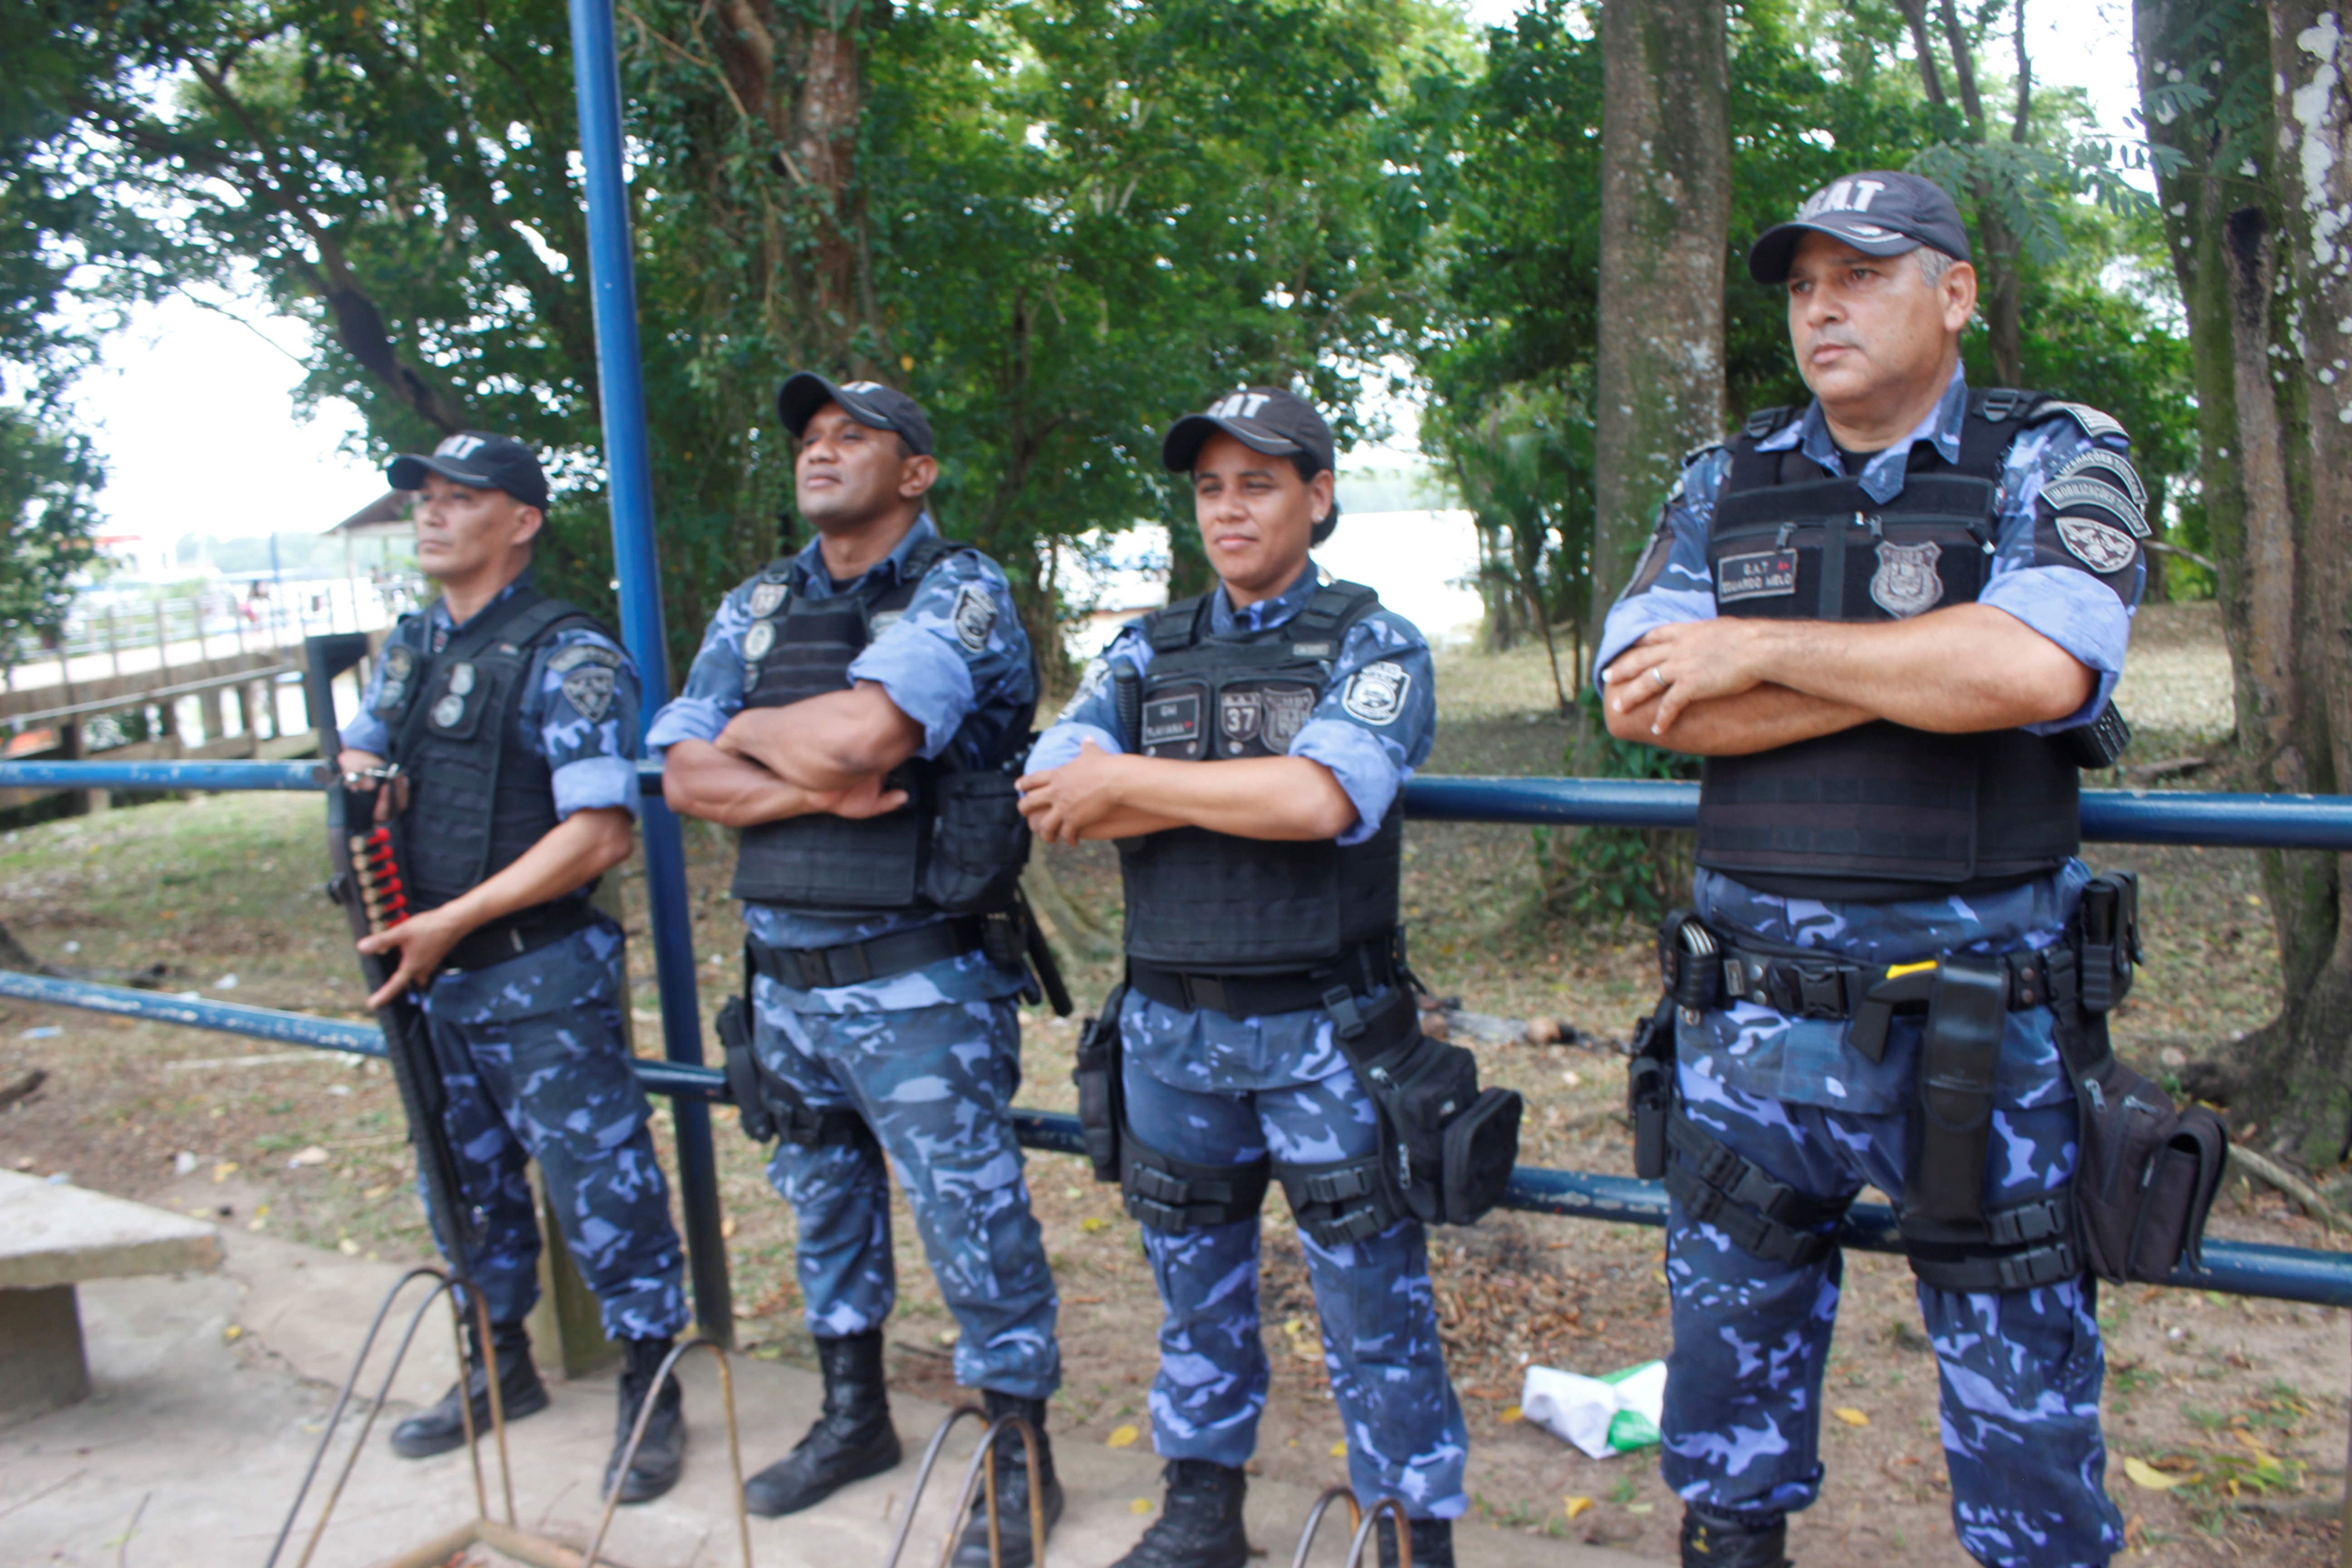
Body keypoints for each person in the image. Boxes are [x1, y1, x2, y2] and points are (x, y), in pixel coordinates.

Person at [1597, 172, 2146, 1568]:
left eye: (1864, 275)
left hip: (1980, 1031)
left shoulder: (2057, 452)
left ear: (1955, 295)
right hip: (1754, 1036)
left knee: (2027, 1428)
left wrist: (1764, 646)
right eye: (1801, 285)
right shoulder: (1726, 479)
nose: (1823, 307)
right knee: (1724, 1413)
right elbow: (1645, 699)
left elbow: (2036, 664)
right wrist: (1927, 672)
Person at [1020, 388, 1464, 1568]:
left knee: (1374, 1312)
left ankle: (1414, 1538)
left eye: (1258, 483)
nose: (1229, 508)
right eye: (1210, 486)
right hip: (1172, 1038)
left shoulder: (1374, 640)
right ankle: (1200, 1517)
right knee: (1196, 1302)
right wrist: (1126, 782)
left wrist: (1138, 786)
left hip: (1328, 1036)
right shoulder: (1144, 648)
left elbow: (1322, 798)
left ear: (1318, 498)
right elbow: (1056, 775)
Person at [650, 375, 1061, 1567]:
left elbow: (872, 740)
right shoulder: (761, 600)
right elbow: (679, 771)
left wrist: (757, 738)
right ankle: (853, 1420)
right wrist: (802, 774)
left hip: (918, 981)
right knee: (822, 1207)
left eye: (854, 437)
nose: (821, 452)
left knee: (972, 1225)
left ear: (916, 472)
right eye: (810, 439)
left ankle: (1017, 1460)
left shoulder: (959, 592)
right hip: (786, 976)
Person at [337, 432, 691, 1503]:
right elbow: (363, 749)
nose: (432, 517)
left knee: (602, 1188)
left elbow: (599, 835)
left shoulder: (567, 654)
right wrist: (365, 776)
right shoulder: (413, 646)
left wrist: (454, 920)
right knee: (461, 1183)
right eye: (425, 501)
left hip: (534, 978)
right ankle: (500, 1365)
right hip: (432, 973)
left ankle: (652, 1382)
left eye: (461, 500)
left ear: (522, 523)